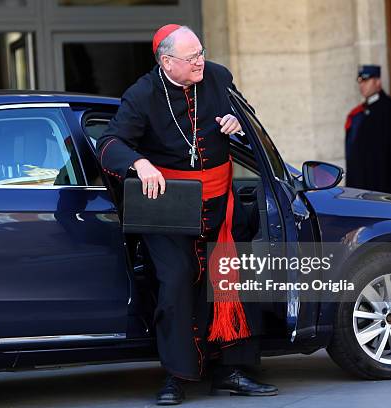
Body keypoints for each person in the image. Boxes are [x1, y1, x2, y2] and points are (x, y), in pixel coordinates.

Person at [96, 24, 278, 405]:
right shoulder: (142, 94)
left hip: (219, 203)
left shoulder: (217, 77)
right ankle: (177, 377)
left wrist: (237, 126)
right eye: (191, 57)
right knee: (176, 282)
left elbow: (248, 121)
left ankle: (232, 371)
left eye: (201, 53)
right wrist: (140, 163)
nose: (200, 62)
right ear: (167, 62)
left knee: (229, 280)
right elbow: (110, 142)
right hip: (169, 209)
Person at [344, 64, 391, 195]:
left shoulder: (389, 109)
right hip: (362, 183)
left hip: (383, 184)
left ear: (378, 82)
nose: (362, 85)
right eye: (360, 82)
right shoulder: (360, 112)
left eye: (366, 81)